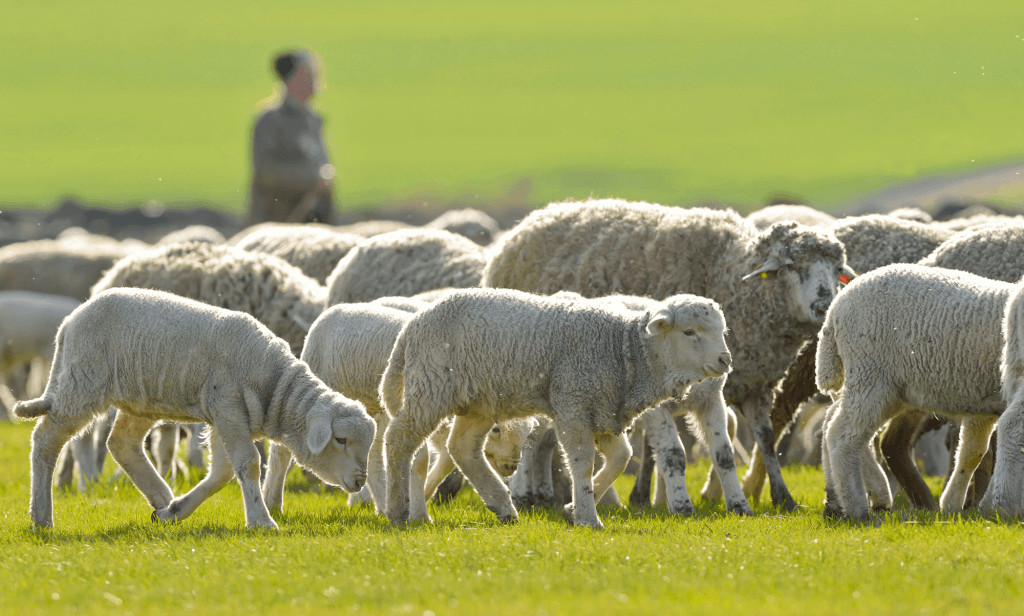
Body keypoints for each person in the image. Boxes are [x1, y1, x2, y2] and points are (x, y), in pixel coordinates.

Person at [248, 50, 336, 224]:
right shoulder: (271, 119)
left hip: (314, 217)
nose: (315, 80)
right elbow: (266, 172)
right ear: (291, 80)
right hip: (277, 219)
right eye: (308, 75)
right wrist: (311, 179)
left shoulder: (315, 119)